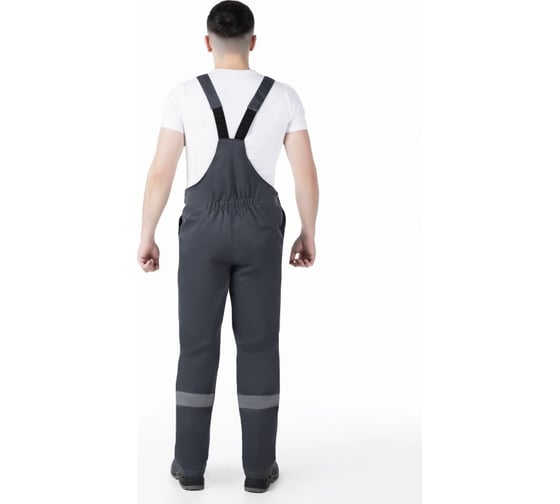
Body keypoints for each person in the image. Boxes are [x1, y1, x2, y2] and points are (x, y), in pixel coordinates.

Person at [137, 0, 319, 493]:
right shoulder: (283, 96)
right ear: (253, 41)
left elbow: (161, 171)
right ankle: (258, 470)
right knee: (259, 346)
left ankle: (190, 467)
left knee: (197, 346)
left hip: (202, 232)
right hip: (261, 232)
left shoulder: (183, 95)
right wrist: (307, 232)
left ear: (208, 42)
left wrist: (147, 234)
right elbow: (305, 174)